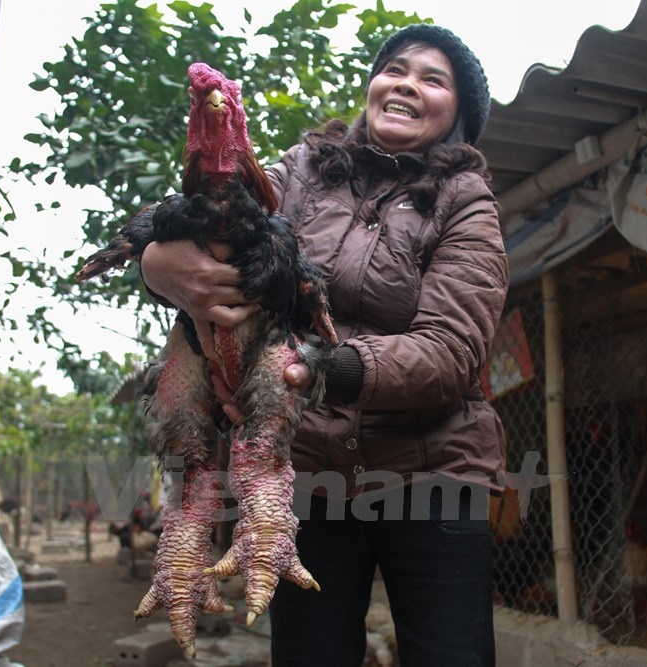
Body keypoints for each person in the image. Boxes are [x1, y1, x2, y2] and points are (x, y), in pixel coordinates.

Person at [141, 23, 507, 666]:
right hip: (308, 476)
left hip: (433, 470)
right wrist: (157, 264)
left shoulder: (466, 203)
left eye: (433, 80)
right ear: (373, 84)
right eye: (395, 69)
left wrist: (316, 370)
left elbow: (451, 351)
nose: (407, 85)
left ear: (457, 116)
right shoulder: (301, 170)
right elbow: (218, 223)